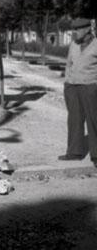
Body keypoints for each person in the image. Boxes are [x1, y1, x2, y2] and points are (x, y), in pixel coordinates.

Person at [59, 18, 97, 168]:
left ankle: (96, 155)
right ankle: (74, 152)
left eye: (78, 29)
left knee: (93, 120)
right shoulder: (74, 44)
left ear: (87, 29)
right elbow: (69, 64)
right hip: (72, 87)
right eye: (74, 29)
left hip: (91, 87)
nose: (75, 32)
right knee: (74, 119)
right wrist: (67, 83)